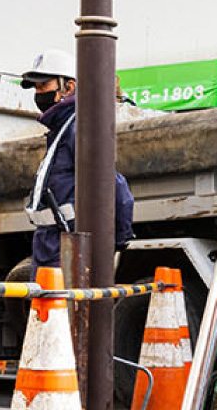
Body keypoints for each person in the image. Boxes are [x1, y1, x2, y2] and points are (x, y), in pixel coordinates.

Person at [20, 49, 135, 269]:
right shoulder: (62, 129)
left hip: (65, 248)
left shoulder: (78, 128)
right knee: (48, 303)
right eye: (35, 87)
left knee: (62, 303)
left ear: (69, 87)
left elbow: (114, 185)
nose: (38, 93)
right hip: (51, 246)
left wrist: (118, 240)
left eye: (43, 86)